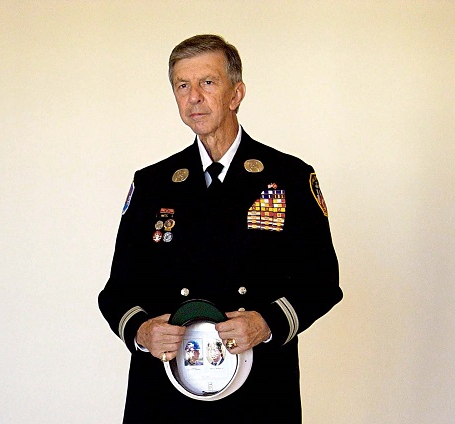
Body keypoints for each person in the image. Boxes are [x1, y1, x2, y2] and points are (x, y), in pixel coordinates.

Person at [98, 34, 343, 423]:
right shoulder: (153, 183)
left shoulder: (289, 177)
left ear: (236, 93)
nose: (193, 96)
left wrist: (265, 324)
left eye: (207, 83)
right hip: (165, 393)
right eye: (182, 85)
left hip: (258, 392)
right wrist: (141, 332)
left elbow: (323, 282)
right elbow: (116, 292)